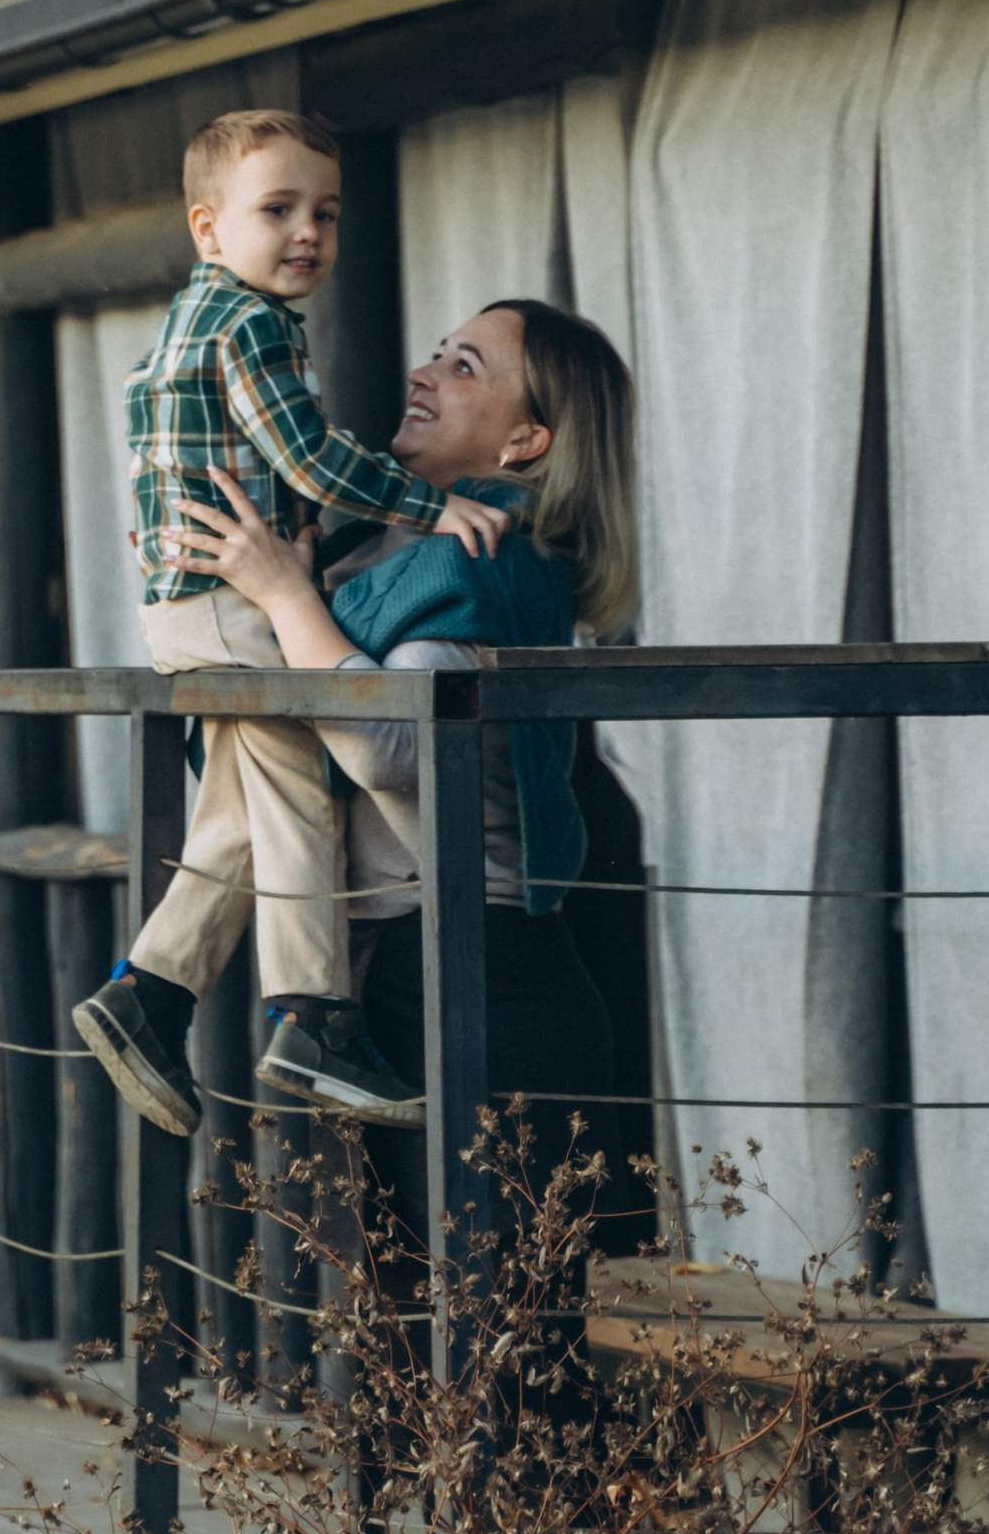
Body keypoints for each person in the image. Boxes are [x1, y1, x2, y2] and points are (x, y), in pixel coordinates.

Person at [77, 295, 635, 1168]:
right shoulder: (374, 547)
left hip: (476, 969)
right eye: (438, 353)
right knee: (399, 1258)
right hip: (383, 961)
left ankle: (156, 987)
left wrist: (283, 599)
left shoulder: (487, 558)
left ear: (525, 441)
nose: (423, 374)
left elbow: (387, 748)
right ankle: (155, 987)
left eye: (463, 368)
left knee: (497, 1256)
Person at [75, 109, 504, 1134]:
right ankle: (312, 1013)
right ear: (208, 228)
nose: (308, 231)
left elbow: (178, 446)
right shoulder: (251, 324)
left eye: (327, 212)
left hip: (194, 600)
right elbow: (308, 454)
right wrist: (428, 505)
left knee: (244, 798)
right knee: (303, 780)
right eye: (278, 209)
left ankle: (149, 992)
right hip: (227, 601)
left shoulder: (187, 324)